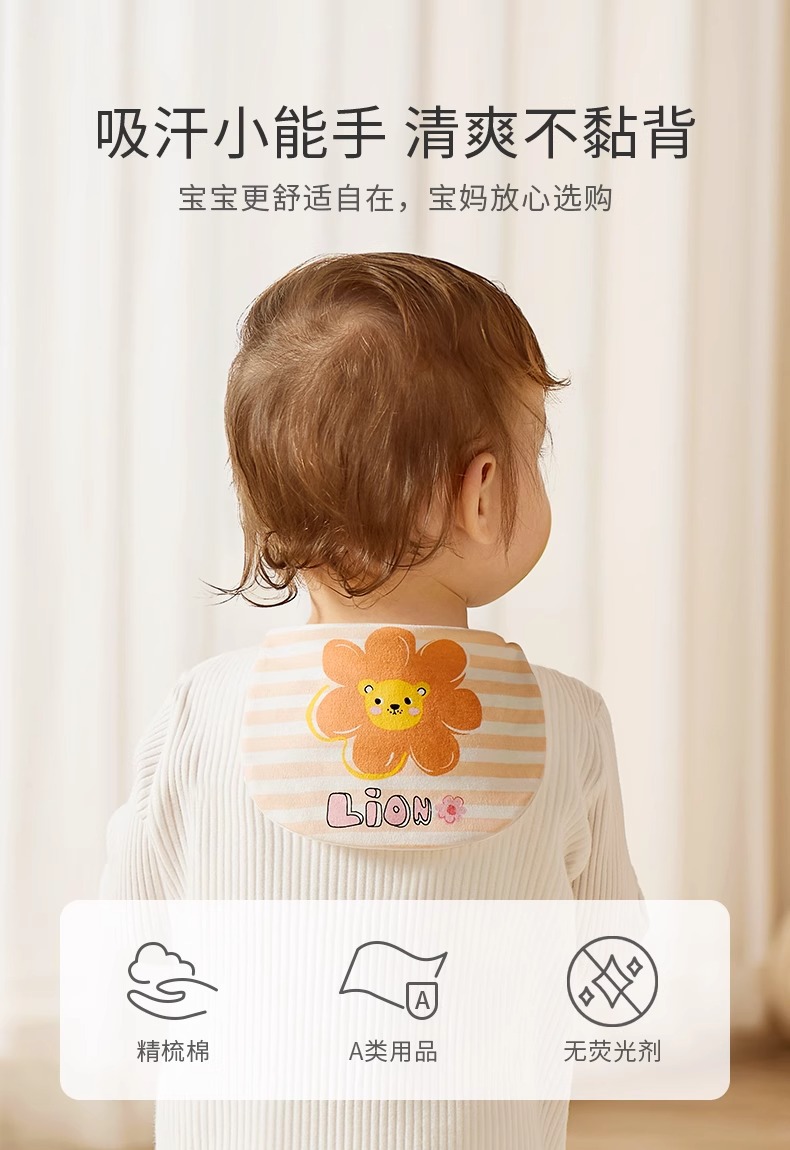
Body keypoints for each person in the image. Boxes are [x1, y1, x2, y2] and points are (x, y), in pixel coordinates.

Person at [100, 251, 642, 1148]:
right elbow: (616, 966)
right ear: (482, 494)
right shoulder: (568, 726)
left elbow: (131, 937)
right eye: (535, 447)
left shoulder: (201, 713)